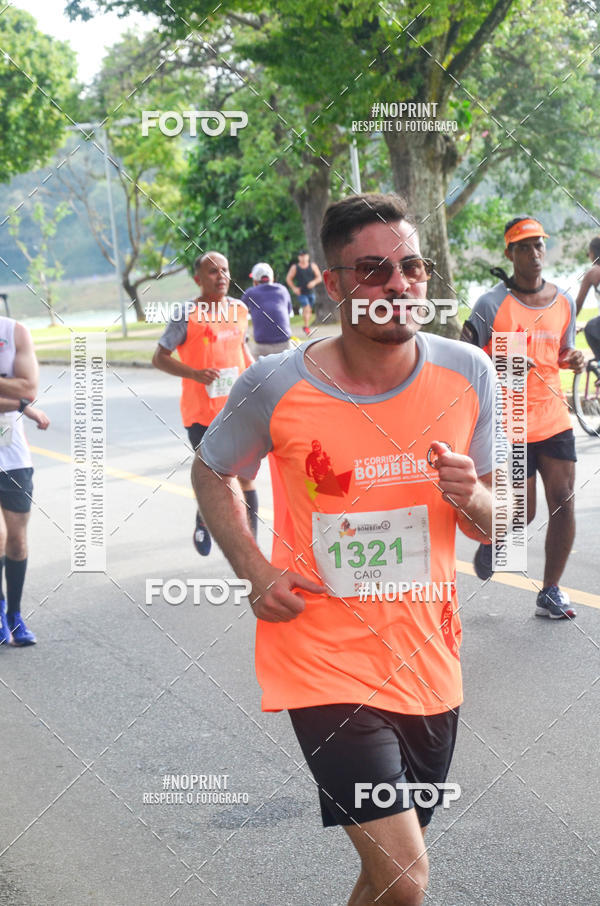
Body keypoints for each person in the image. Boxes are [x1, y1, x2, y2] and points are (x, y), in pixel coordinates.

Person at [193, 193, 497, 906]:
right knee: (406, 876)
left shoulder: (468, 374)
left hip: (429, 660)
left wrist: (473, 498)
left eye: (412, 267)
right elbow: (211, 471)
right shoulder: (275, 382)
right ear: (333, 286)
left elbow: (497, 522)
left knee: (384, 875)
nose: (400, 284)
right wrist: (254, 568)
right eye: (374, 270)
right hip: (321, 658)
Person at [461, 216, 584, 619]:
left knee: (563, 501)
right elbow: (465, 356)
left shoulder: (562, 300)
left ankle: (550, 591)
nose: (534, 254)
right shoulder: (490, 304)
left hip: (553, 417)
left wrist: (575, 357)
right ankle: (491, 537)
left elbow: (562, 351)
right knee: (521, 513)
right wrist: (501, 358)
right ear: (509, 253)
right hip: (509, 419)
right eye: (524, 247)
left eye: (539, 246)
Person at [152, 251, 258, 556]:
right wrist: (195, 374)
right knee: (218, 479)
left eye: (224, 270)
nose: (221, 276)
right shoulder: (186, 314)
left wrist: (259, 376)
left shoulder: (239, 309)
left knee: (246, 478)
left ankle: (252, 550)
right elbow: (159, 358)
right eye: (213, 272)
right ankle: (203, 517)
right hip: (202, 415)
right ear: (198, 280)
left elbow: (242, 350)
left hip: (240, 410)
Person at [0, 317, 50, 647]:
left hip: (12, 455)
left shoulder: (13, 332)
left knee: (16, 542)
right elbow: (21, 394)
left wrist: (22, 400)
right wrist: (18, 402)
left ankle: (14, 613)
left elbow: (29, 388)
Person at [241, 262, 293, 356]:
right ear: (272, 279)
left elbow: (238, 312)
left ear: (255, 281)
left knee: (252, 365)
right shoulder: (283, 290)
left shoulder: (250, 292)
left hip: (262, 345)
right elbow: (288, 311)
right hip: (285, 343)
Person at [575, 236, 600, 364]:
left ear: (593, 253)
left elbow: (577, 305)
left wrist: (567, 325)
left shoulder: (593, 272)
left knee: (590, 327)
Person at [286, 250, 322, 335]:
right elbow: (288, 278)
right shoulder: (295, 267)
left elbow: (319, 277)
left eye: (304, 255)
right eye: (301, 256)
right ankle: (306, 327)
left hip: (311, 292)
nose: (303, 258)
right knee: (306, 307)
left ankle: (306, 326)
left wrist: (313, 282)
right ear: (299, 257)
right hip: (301, 292)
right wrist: (294, 288)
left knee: (309, 310)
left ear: (308, 256)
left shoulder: (312, 266)